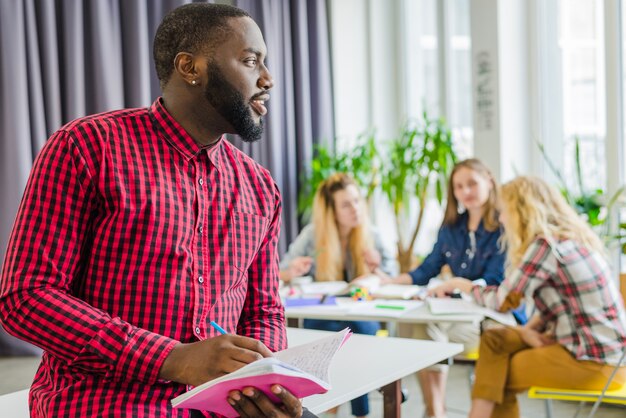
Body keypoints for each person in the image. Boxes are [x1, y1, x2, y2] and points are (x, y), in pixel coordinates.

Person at [0, 4, 313, 418]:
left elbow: (263, 311)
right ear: (190, 67)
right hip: (105, 405)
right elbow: (26, 298)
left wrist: (260, 379)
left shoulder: (259, 187)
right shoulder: (87, 147)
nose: (268, 79)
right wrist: (171, 358)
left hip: (223, 407)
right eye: (251, 61)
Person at [432, 176, 626, 418]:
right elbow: (561, 305)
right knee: (494, 339)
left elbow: (502, 301)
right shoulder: (571, 240)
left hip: (593, 363)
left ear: (521, 211)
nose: (501, 219)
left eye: (503, 212)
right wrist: (526, 332)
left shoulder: (545, 245)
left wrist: (463, 285)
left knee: (497, 374)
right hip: (607, 354)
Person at [385, 158, 504, 418]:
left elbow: (495, 279)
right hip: (456, 313)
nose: (466, 192)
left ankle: (434, 412)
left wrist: (458, 284)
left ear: (489, 181)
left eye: (472, 183)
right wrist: (391, 281)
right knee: (413, 323)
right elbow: (427, 269)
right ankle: (436, 411)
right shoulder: (452, 227)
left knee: (424, 329)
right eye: (459, 187)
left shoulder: (504, 226)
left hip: (488, 317)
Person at [280, 172, 397, 418]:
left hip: (360, 313)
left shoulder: (372, 234)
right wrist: (292, 271)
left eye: (357, 201)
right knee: (325, 331)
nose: (355, 208)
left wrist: (377, 269)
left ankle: (359, 412)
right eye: (346, 204)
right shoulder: (313, 235)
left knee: (360, 332)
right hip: (325, 313)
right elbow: (282, 269)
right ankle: (327, 405)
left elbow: (394, 277)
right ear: (332, 211)